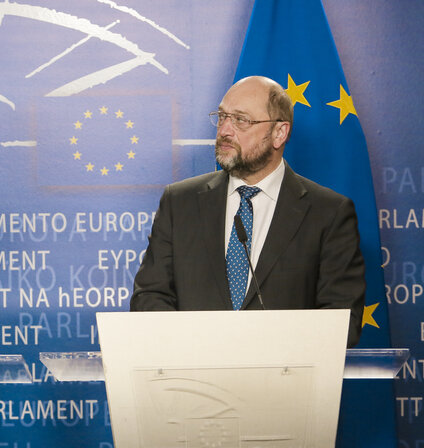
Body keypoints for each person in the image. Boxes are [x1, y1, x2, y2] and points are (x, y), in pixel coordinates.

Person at [130, 76, 365, 347]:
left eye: (241, 120)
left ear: (279, 133)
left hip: (284, 384)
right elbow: (149, 298)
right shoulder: (179, 202)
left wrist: (262, 353)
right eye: (221, 117)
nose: (224, 131)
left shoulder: (329, 213)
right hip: (193, 380)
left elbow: (340, 321)